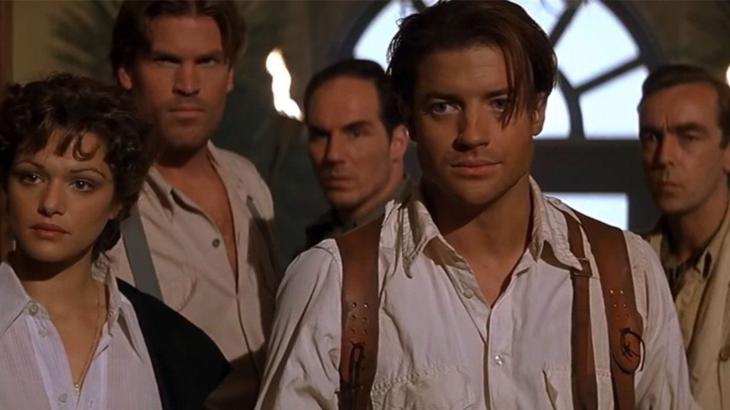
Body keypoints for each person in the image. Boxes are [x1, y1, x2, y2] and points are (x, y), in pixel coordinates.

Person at [255, 1, 696, 409]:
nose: (472, 134)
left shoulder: (626, 273)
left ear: (538, 111)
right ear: (409, 119)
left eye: (499, 103)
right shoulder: (334, 282)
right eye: (443, 107)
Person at [0, 73, 228, 410]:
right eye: (31, 177)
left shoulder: (172, 346)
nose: (50, 204)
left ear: (118, 202)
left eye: (81, 184)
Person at [107, 1, 279, 407]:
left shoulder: (248, 183)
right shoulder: (107, 204)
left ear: (230, 73)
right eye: (166, 61)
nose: (188, 84)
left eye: (207, 61)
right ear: (127, 72)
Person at [639, 64, 730, 409]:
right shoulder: (624, 268)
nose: (664, 158)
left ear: (728, 151)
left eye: (688, 137)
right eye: (651, 138)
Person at [303, 59, 409, 248]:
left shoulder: (427, 241)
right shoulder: (320, 239)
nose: (333, 155)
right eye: (320, 135)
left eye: (355, 133)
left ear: (398, 142)